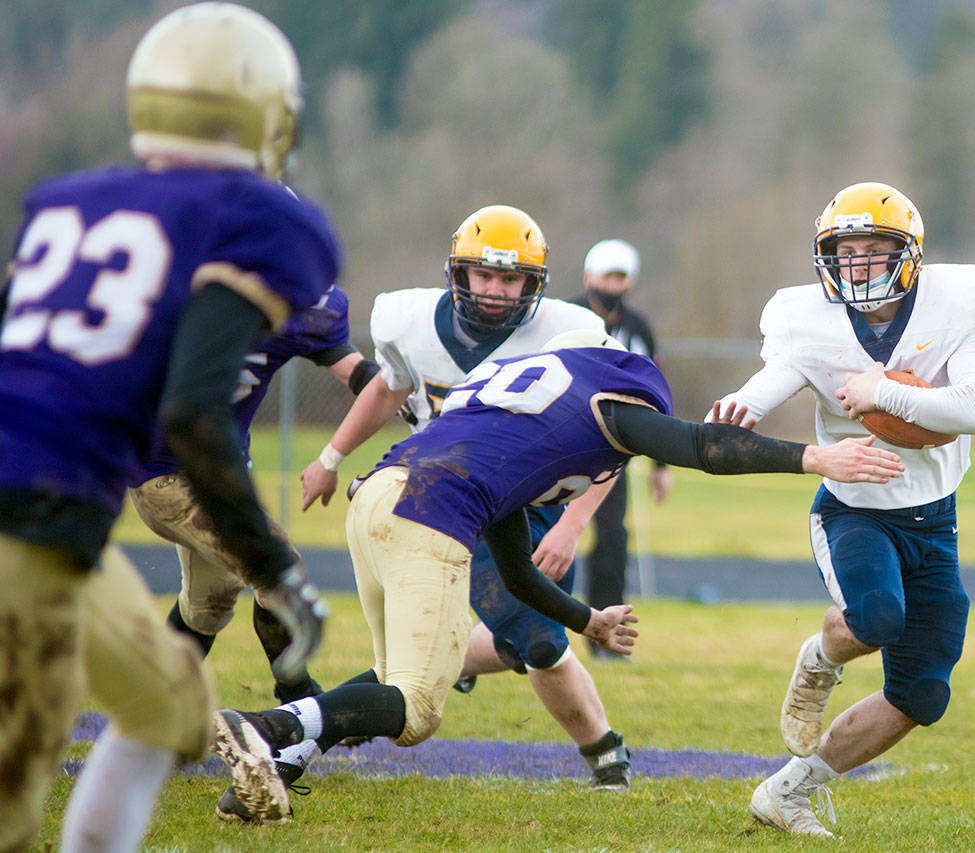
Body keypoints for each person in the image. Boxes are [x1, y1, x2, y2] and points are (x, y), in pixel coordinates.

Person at [211, 330, 907, 823]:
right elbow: (704, 444)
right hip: (431, 513)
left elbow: (515, 569)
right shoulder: (612, 403)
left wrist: (589, 621)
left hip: (376, 499)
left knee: (399, 682)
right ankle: (264, 727)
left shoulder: (514, 417)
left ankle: (269, 770)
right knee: (417, 710)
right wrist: (816, 458)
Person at [0, 2, 333, 848]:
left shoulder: (63, 202)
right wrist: (275, 569)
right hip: (27, 523)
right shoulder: (265, 221)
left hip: (64, 529)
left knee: (170, 706)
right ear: (267, 113)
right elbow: (192, 411)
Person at [294, 205, 636, 796]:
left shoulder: (567, 330)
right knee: (534, 641)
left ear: (534, 284)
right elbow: (387, 386)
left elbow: (612, 435)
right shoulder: (410, 322)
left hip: (534, 503)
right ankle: (607, 756)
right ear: (460, 273)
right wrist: (329, 458)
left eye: (512, 279)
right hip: (448, 498)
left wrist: (571, 525)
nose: (497, 290)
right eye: (485, 275)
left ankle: (321, 718)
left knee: (513, 643)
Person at [708, 182, 975, 837]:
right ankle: (820, 658)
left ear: (909, 255)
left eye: (876, 250)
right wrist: (743, 405)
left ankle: (787, 791)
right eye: (847, 250)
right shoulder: (804, 317)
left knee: (923, 693)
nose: (860, 264)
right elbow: (774, 379)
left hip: (937, 518)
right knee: (874, 616)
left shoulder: (962, 298)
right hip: (854, 510)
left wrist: (882, 393)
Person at [128, 283, 377, 706]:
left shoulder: (304, 304)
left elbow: (355, 373)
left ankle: (151, 699)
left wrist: (404, 393)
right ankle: (297, 698)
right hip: (164, 475)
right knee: (279, 568)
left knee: (210, 601)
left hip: (220, 478)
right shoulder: (186, 287)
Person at [568, 239, 671, 657]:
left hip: (612, 449)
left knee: (612, 538)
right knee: (544, 535)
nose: (613, 284)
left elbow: (654, 392)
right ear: (589, 277)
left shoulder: (638, 328)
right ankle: (531, 631)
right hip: (563, 442)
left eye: (620, 276)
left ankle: (602, 635)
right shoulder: (565, 316)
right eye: (607, 275)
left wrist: (659, 464)